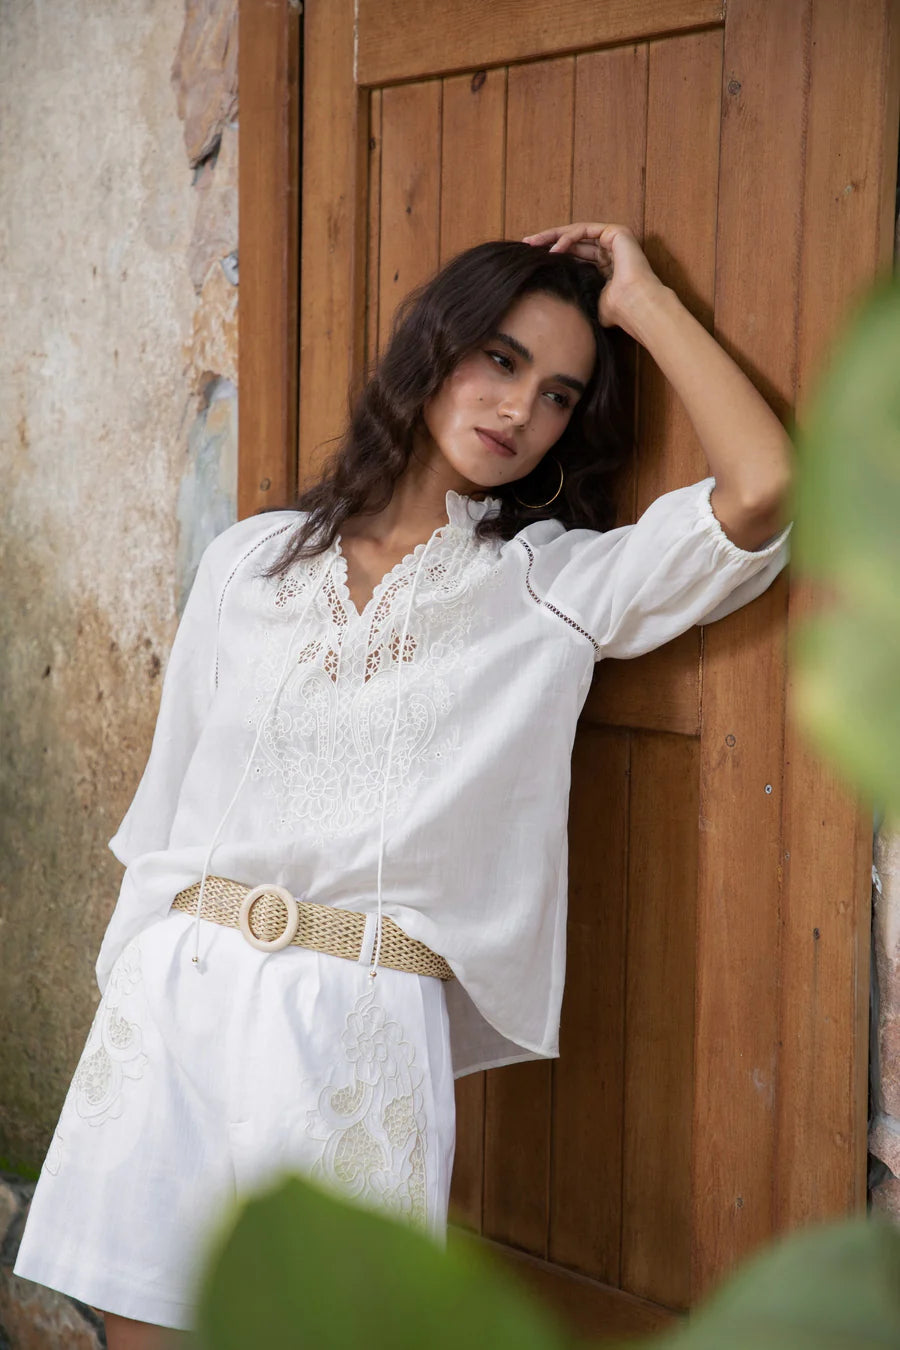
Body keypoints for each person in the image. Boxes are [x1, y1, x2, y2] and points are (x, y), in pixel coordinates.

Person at [13, 222, 793, 1348]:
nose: (521, 408)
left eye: (562, 394)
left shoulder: (547, 588)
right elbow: (168, 807)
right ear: (435, 349)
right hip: (181, 992)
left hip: (359, 1021)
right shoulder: (251, 563)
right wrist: (130, 998)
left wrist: (647, 303)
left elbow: (761, 492)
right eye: (502, 359)